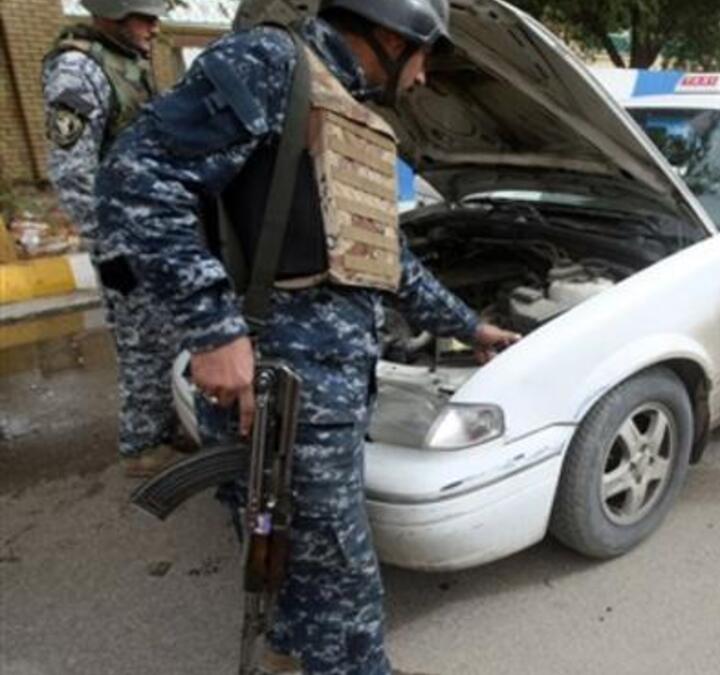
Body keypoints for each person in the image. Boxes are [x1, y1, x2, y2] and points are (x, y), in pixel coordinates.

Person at [95, 0, 520, 672]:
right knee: (341, 576)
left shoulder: (344, 108)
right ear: (392, 37)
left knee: (296, 553)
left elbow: (386, 260)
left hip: (324, 392)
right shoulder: (270, 64)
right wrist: (213, 329)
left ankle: (292, 652)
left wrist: (468, 326)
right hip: (279, 387)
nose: (422, 78)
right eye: (423, 56)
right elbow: (136, 175)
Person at [42, 0, 185, 478]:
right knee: (140, 339)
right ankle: (142, 445)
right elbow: (72, 172)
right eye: (145, 17)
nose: (155, 27)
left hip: (150, 230)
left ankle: (167, 426)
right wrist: (110, 246)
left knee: (166, 334)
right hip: (121, 239)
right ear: (111, 12)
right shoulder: (77, 70)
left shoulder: (127, 60)